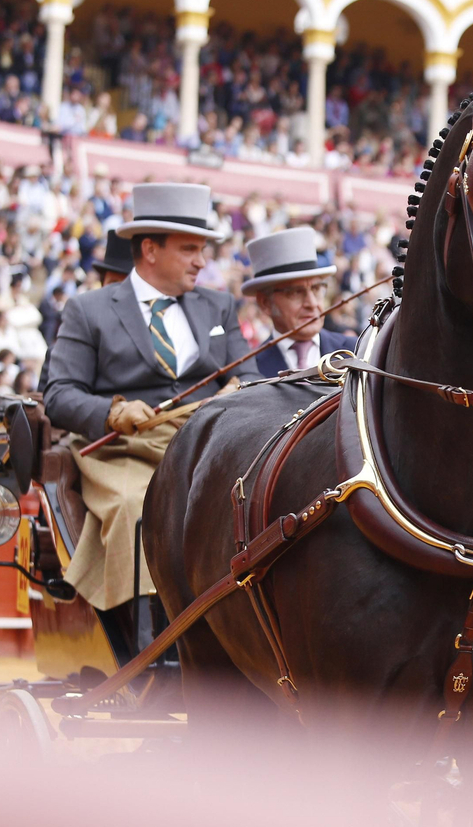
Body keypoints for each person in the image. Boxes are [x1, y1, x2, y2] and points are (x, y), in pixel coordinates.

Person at [43, 182, 258, 612]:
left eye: (203, 249)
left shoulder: (218, 306)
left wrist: (237, 391)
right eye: (189, 249)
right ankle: (146, 645)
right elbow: (59, 395)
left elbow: (248, 376)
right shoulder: (89, 309)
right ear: (150, 250)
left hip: (208, 449)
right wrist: (114, 411)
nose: (201, 261)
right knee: (133, 508)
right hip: (124, 451)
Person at [242, 227, 357, 377]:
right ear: (265, 303)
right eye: (295, 292)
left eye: (316, 289)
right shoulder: (249, 370)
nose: (312, 303)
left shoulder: (357, 351)